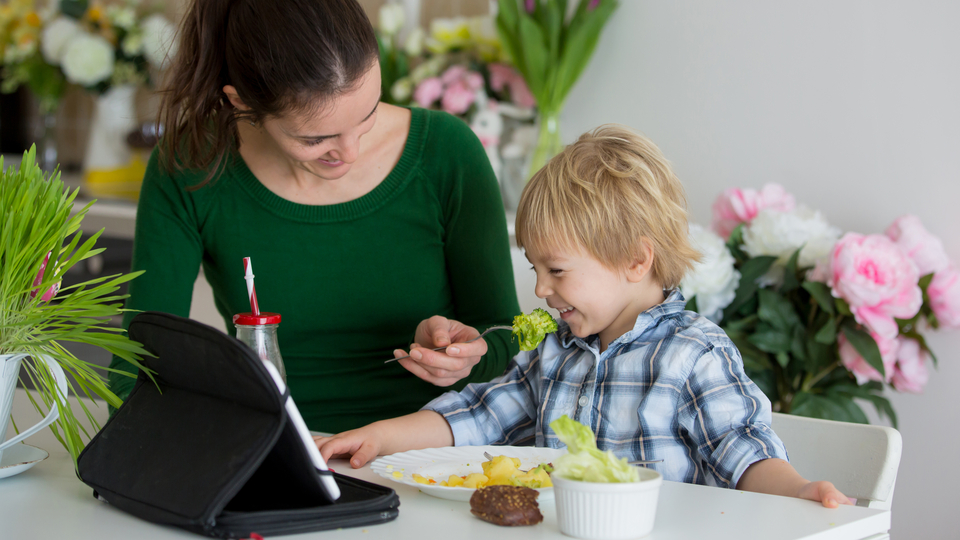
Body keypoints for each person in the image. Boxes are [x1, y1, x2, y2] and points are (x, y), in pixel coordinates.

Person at [315, 125, 852, 508]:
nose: (542, 289)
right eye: (535, 267)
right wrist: (378, 437)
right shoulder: (553, 352)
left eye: (557, 270)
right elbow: (476, 414)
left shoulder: (693, 354)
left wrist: (801, 491)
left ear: (635, 260)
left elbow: (745, 454)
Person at [107, 0, 521, 433]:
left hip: (433, 454)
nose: (350, 153)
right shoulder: (190, 165)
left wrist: (464, 357)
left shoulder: (448, 154)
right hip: (273, 450)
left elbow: (509, 340)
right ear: (241, 102)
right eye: (316, 138)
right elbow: (138, 362)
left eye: (368, 115)